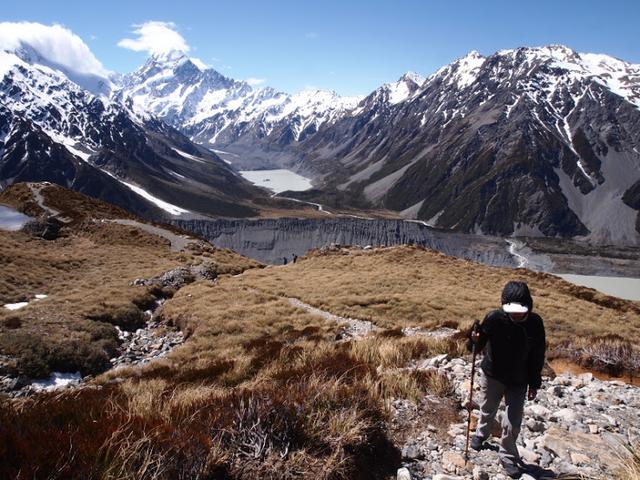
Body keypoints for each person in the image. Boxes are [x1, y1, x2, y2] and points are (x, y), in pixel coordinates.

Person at [468, 281, 546, 478]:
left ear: (529, 305)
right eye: (512, 310)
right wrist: (474, 339)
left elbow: (538, 355)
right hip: (492, 375)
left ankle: (508, 456)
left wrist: (534, 383)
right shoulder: (494, 318)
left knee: (513, 421)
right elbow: (475, 347)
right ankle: (481, 434)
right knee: (487, 408)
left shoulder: (535, 324)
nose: (516, 314)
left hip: (519, 380)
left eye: (521, 310)